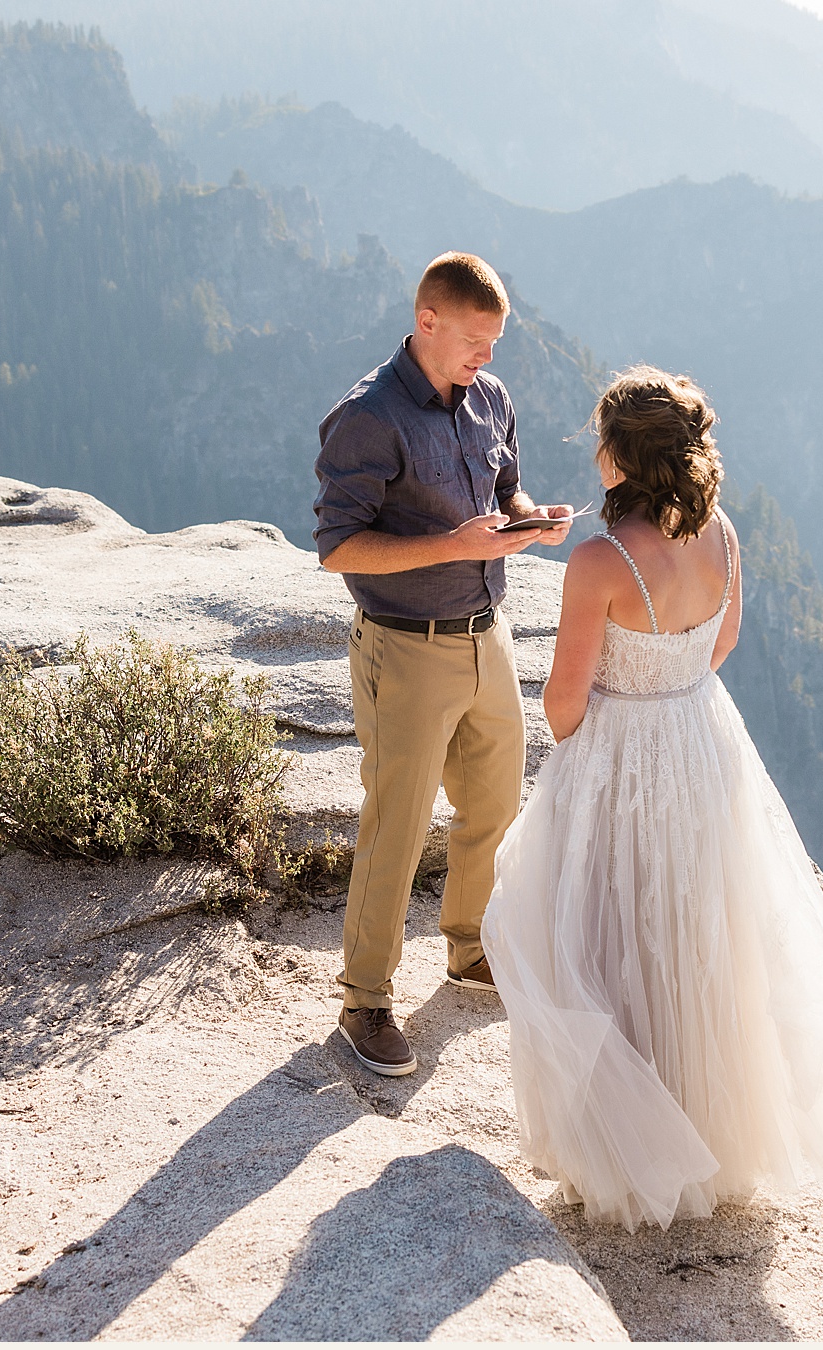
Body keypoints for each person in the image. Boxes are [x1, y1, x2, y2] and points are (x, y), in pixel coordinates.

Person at [481, 366, 823, 1230]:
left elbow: (564, 705)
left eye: (601, 438)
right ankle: (711, 1137)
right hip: (701, 741)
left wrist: (609, 734)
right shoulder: (721, 531)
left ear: (622, 460)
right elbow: (721, 641)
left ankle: (624, 1148)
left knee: (609, 933)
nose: (594, 449)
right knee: (700, 934)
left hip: (622, 754)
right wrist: (671, 691)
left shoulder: (600, 562)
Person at [312, 252, 574, 1078]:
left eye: (494, 342)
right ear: (428, 321)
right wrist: (449, 545)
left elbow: (508, 494)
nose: (487, 358)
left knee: (494, 803)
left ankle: (469, 950)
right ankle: (365, 1002)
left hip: (486, 636)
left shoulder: (490, 400)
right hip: (404, 645)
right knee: (396, 825)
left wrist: (531, 522)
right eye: (476, 340)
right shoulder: (368, 416)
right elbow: (337, 548)